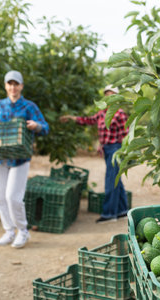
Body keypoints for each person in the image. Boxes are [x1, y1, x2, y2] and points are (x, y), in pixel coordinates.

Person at [0, 70, 49, 248]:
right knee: (0, 198)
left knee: (13, 197)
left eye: (16, 84)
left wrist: (36, 126)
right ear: (5, 86)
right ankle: (9, 231)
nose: (13, 87)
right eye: (9, 84)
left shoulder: (29, 107)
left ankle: (23, 231)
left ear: (21, 86)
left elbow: (45, 127)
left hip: (20, 159)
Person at [60, 86, 129, 223]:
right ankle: (122, 210)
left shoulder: (120, 114)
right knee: (116, 180)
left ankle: (110, 214)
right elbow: (89, 120)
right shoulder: (102, 113)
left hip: (116, 149)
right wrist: (72, 118)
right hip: (107, 149)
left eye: (112, 95)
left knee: (111, 180)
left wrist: (125, 152)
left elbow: (126, 135)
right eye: (106, 95)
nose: (109, 97)